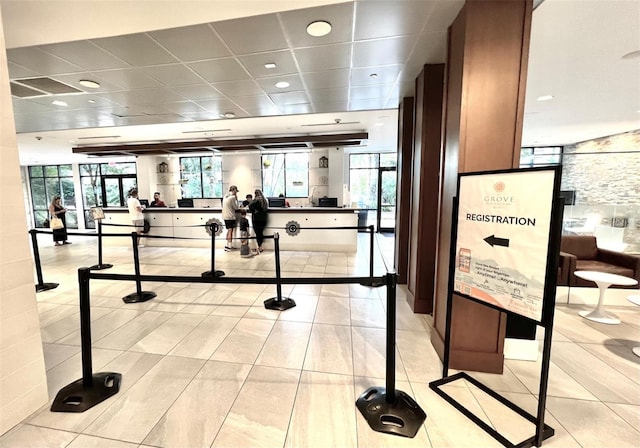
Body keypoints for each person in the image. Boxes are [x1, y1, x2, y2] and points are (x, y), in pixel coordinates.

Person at [222, 185, 240, 251]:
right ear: (234, 190)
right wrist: (237, 199)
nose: (236, 193)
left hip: (225, 216)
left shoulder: (225, 196)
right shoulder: (232, 197)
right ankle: (229, 246)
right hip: (230, 216)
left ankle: (227, 245)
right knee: (230, 231)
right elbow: (236, 207)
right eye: (236, 191)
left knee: (228, 230)